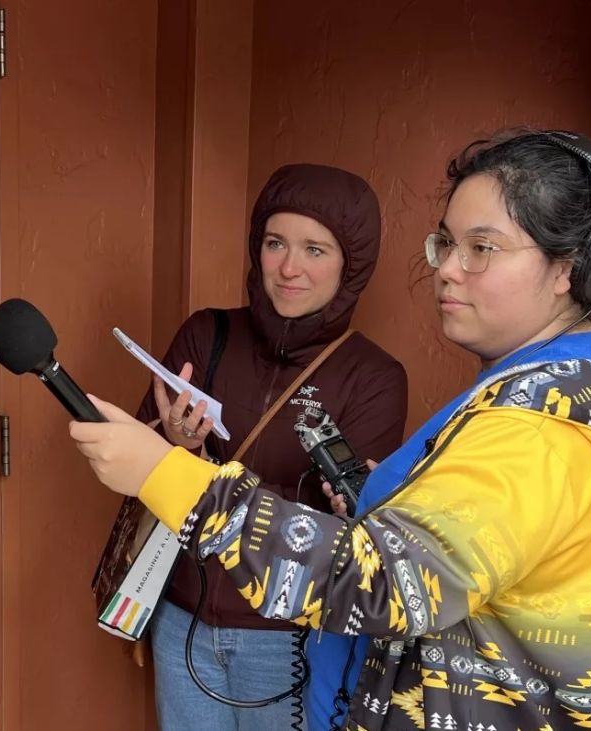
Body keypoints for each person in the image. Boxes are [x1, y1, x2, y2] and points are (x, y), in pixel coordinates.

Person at [71, 130, 591, 731]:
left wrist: (165, 472)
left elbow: (381, 585)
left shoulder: (541, 431)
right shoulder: (550, 391)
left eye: (483, 247)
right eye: (447, 243)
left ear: (570, 268)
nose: (447, 268)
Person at [135, 163, 407, 729]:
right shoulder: (206, 334)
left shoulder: (374, 375)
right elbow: (138, 464)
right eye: (275, 242)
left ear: (350, 266)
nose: (288, 268)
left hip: (289, 640)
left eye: (315, 250)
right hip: (181, 615)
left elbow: (341, 526)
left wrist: (201, 473)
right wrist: (172, 448)